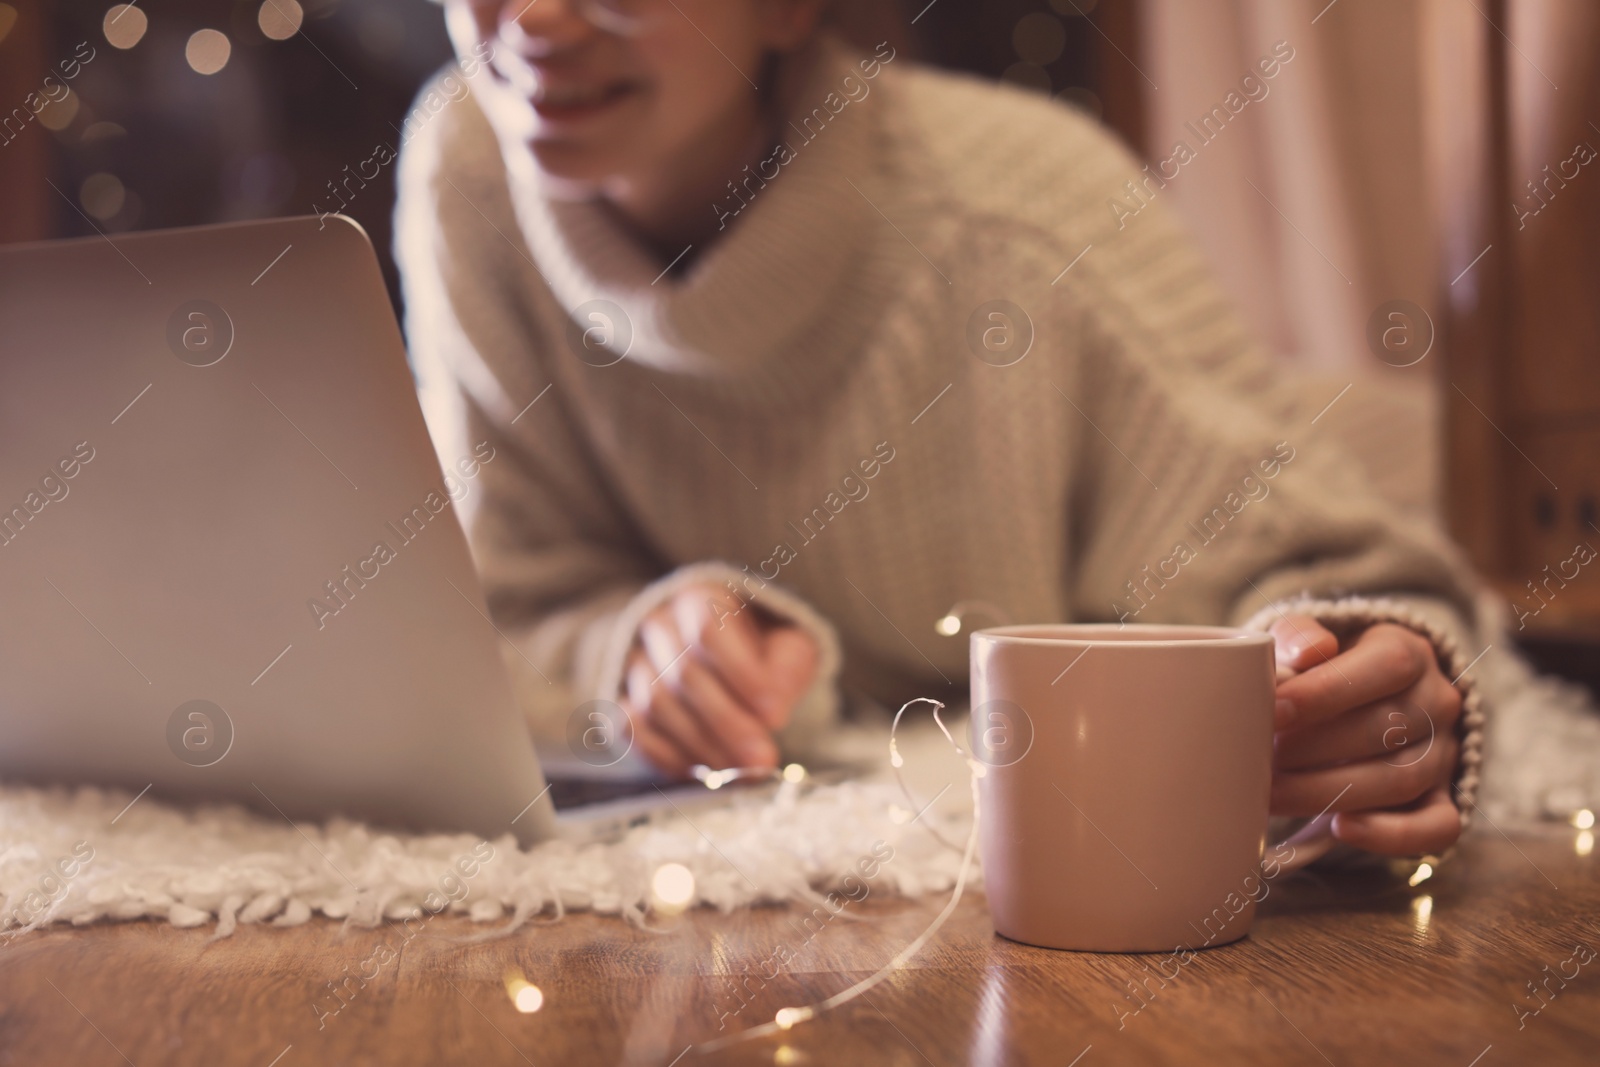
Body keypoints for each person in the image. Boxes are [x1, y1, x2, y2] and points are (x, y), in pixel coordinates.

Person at [397, 0, 1485, 860]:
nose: (529, 20)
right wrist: (631, 644)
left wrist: (1361, 673)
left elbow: (1323, 573)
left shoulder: (1028, 208)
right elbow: (503, 603)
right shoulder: (468, 160)